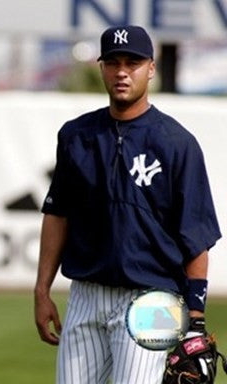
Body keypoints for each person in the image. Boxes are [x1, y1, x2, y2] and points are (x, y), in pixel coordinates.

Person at [34, 25, 221, 384]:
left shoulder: (177, 143)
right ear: (101, 67)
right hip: (86, 294)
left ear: (151, 68)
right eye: (113, 62)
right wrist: (42, 289)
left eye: (132, 63)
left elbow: (196, 237)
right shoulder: (76, 136)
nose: (122, 72)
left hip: (153, 299)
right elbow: (58, 214)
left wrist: (195, 319)